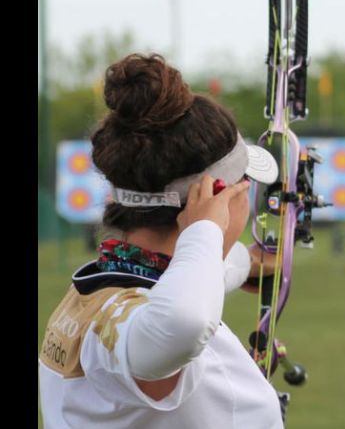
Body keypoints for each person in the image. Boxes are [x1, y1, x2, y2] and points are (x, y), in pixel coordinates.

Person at [39, 53, 285, 429]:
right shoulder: (127, 322)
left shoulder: (104, 289)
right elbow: (183, 322)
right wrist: (205, 230)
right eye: (244, 186)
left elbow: (185, 280)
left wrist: (243, 264)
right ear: (218, 197)